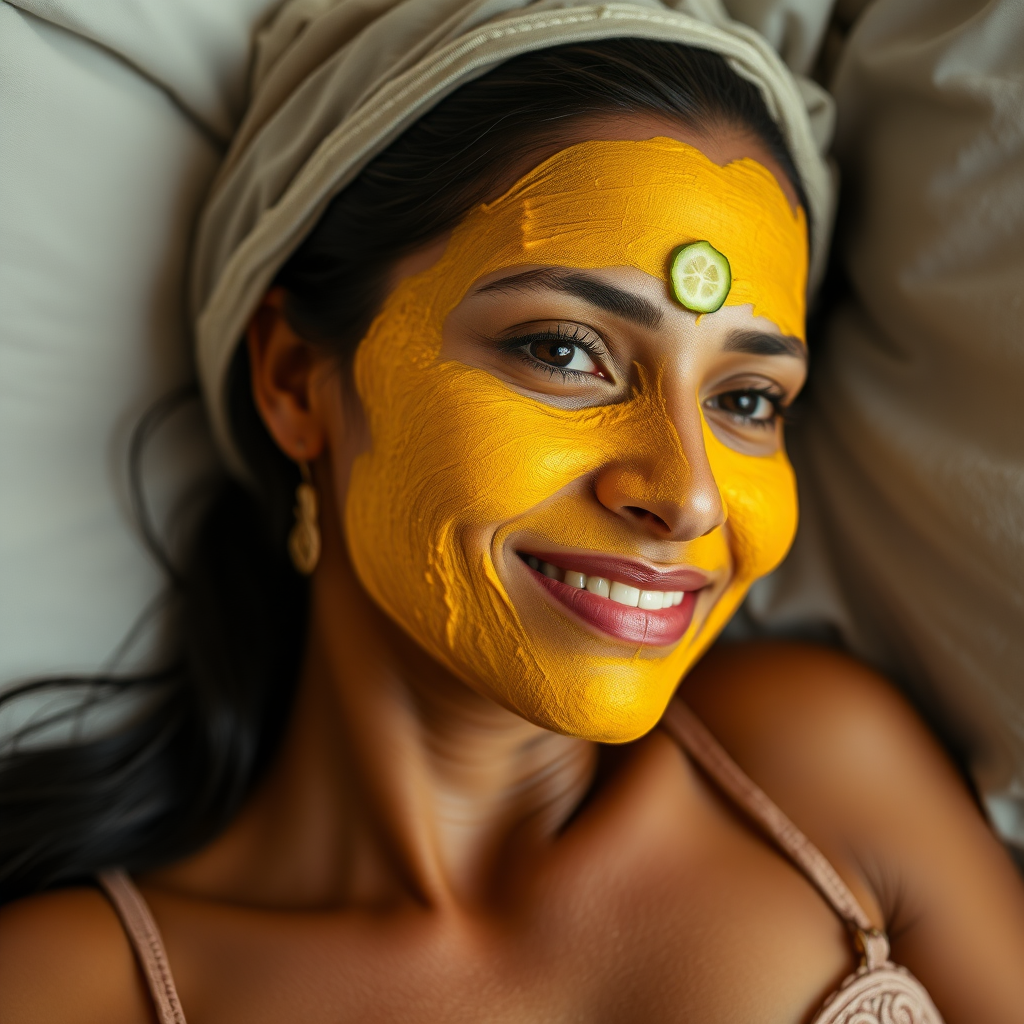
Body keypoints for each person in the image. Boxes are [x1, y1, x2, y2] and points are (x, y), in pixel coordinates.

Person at [1, 5, 1023, 1022]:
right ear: (295, 380)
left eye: (744, 400)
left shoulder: (816, 770)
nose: (688, 495)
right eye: (564, 351)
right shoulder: (72, 985)